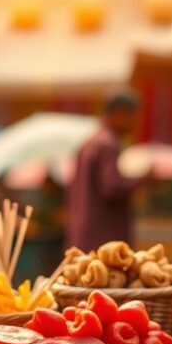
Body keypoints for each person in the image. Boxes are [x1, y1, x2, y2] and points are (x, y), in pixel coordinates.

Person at [66, 92, 148, 251]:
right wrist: (142, 180)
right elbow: (112, 188)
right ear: (120, 113)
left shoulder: (90, 141)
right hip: (102, 241)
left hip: (83, 237)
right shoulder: (107, 144)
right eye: (133, 116)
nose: (136, 122)